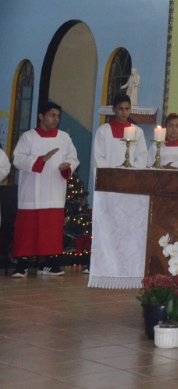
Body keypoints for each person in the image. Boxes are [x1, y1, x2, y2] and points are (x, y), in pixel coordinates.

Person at [10, 101, 80, 277]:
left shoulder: (64, 138)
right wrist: (41, 159)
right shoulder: (28, 137)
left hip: (54, 190)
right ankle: (23, 263)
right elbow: (17, 159)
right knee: (28, 229)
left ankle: (46, 263)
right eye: (52, 115)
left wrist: (67, 165)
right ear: (41, 116)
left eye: (58, 116)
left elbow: (74, 158)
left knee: (50, 229)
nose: (56, 119)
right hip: (31, 192)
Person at [88, 93, 150, 285]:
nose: (124, 113)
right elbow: (98, 158)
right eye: (121, 109)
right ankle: (105, 263)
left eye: (127, 109)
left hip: (130, 187)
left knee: (128, 226)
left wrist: (130, 175)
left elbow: (143, 157)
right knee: (109, 225)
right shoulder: (104, 131)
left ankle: (129, 265)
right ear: (114, 110)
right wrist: (113, 176)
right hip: (110, 187)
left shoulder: (137, 132)